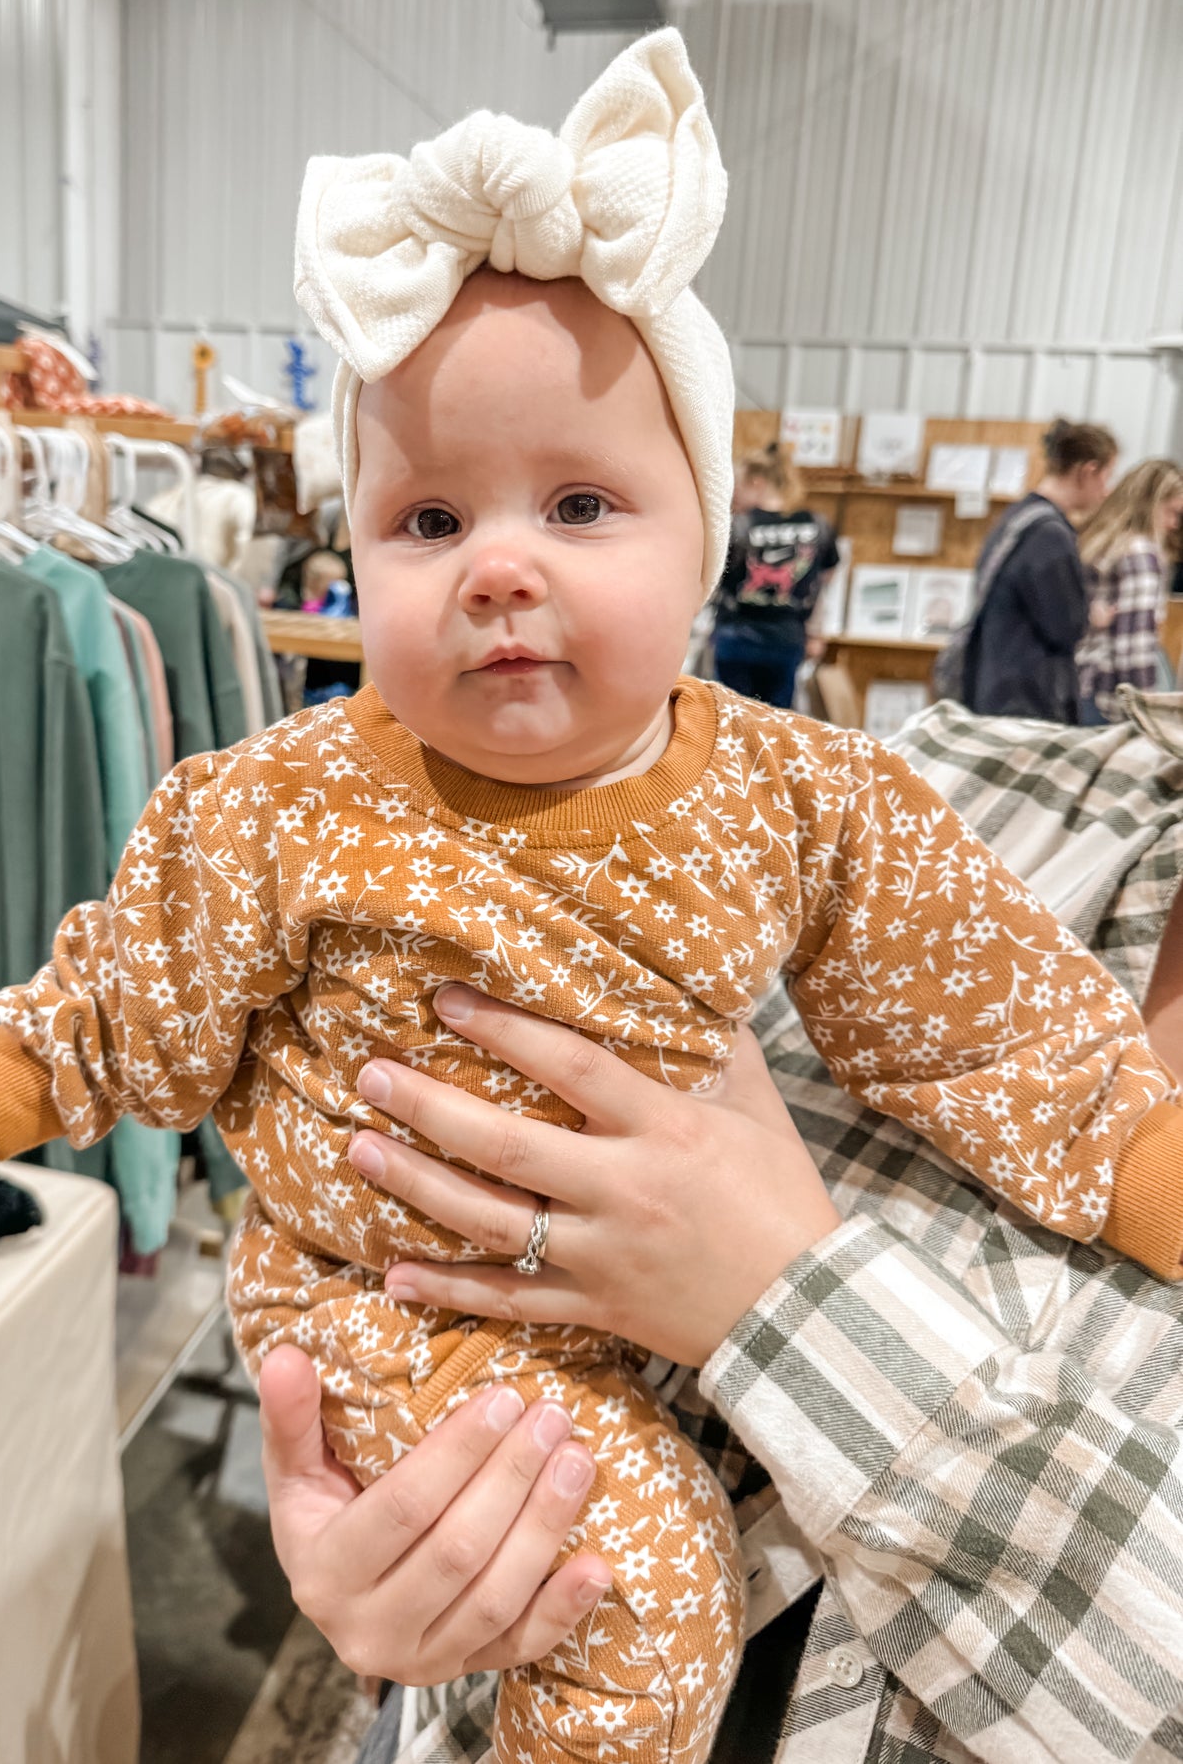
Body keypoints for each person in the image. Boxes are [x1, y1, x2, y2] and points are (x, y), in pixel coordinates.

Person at [0, 36, 1183, 1764]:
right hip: (386, 1293)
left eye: (583, 503)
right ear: (352, 558)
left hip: (678, 1340)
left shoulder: (805, 792)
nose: (501, 565)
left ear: (712, 535)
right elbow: (136, 985)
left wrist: (1139, 1170)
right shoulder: (287, 796)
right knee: (640, 1577)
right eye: (428, 517)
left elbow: (983, 1010)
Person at [259, 688, 1183, 1764]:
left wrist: (789, 1300)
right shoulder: (922, 771)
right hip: (478, 1708)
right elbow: (374, 1126)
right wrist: (366, 1459)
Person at [963, 417, 1117, 721]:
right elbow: (1065, 626)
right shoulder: (1050, 534)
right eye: (1107, 477)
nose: (1105, 491)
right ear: (1088, 471)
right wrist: (1091, 616)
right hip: (1026, 701)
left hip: (994, 686)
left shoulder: (1018, 518)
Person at [711, 443, 838, 707]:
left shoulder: (738, 526)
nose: (735, 493)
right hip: (787, 637)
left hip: (737, 637)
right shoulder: (816, 525)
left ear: (757, 481)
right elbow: (824, 583)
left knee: (730, 721)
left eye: (740, 483)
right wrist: (816, 633)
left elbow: (712, 579)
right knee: (777, 722)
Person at [1076, 458, 1183, 721]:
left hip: (1081, 682)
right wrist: (1148, 713)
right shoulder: (1140, 556)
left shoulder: (1100, 544)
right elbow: (1133, 644)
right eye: (1172, 513)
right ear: (1151, 506)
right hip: (1108, 696)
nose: (1174, 524)